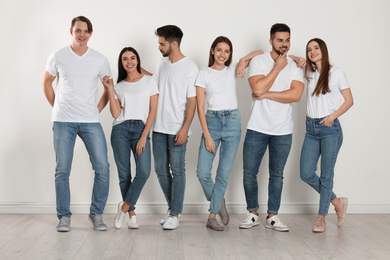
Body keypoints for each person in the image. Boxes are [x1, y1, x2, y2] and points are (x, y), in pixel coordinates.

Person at [42, 16, 111, 232]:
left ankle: (96, 213)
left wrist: (96, 110)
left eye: (86, 31)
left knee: (103, 168)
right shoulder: (58, 56)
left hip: (90, 121)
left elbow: (108, 89)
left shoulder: (99, 59)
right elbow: (46, 81)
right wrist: (57, 107)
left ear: (91, 33)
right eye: (78, 30)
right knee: (62, 170)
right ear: (70, 31)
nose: (82, 34)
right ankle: (64, 217)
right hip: (63, 121)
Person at [239, 23, 304, 231]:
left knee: (277, 175)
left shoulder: (296, 65)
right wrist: (277, 69)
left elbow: (295, 95)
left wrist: (265, 95)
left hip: (283, 130)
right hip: (257, 126)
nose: (284, 44)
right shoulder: (259, 61)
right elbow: (256, 87)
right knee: (249, 173)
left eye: (287, 40)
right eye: (279, 40)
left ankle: (273, 216)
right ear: (271, 41)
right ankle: (252, 213)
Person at [196, 36, 263, 231]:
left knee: (223, 174)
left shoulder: (233, 70)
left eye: (227, 51)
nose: (222, 55)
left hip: (233, 122)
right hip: (212, 122)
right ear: (212, 51)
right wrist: (207, 135)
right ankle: (219, 202)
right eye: (219, 50)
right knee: (202, 173)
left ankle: (212, 215)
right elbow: (200, 108)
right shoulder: (203, 74)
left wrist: (242, 60)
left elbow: (259, 53)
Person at [299, 38, 353, 233]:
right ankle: (337, 202)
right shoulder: (309, 72)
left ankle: (321, 218)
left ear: (323, 49)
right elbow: (292, 60)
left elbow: (349, 101)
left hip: (330, 129)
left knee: (326, 175)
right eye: (309, 49)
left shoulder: (336, 73)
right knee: (306, 173)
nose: (312, 51)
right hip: (310, 129)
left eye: (316, 48)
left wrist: (331, 117)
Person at [102, 47, 158, 229]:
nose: (129, 62)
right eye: (125, 59)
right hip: (120, 129)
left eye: (132, 58)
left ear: (138, 60)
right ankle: (132, 215)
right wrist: (110, 89)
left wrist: (144, 137)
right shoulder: (118, 86)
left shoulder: (150, 81)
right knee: (124, 174)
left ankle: (124, 208)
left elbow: (153, 111)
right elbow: (115, 113)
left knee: (143, 172)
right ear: (122, 63)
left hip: (141, 129)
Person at [153, 25, 198, 230]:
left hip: (177, 128)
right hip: (158, 127)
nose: (159, 47)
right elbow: (153, 86)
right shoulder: (161, 64)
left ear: (174, 43)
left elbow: (192, 101)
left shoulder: (190, 67)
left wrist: (185, 127)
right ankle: (172, 206)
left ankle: (175, 213)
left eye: (162, 43)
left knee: (177, 170)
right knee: (161, 171)